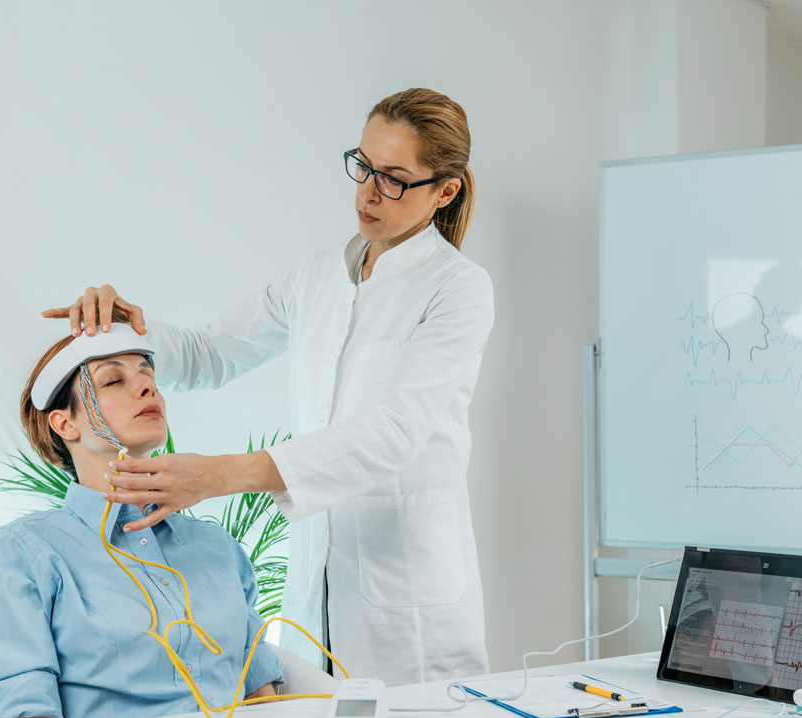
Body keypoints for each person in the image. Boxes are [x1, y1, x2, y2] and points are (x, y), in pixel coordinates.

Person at [41, 88, 493, 686]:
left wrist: (224, 475)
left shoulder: (457, 288)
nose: (366, 192)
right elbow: (209, 354)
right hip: (318, 596)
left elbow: (394, 434)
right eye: (362, 166)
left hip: (410, 608)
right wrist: (123, 325)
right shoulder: (316, 279)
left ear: (445, 190)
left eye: (393, 179)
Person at [0, 326, 283, 718]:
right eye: (114, 380)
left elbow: (266, 699)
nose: (148, 388)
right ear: (65, 424)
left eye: (149, 376)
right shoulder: (24, 552)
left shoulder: (216, 546)